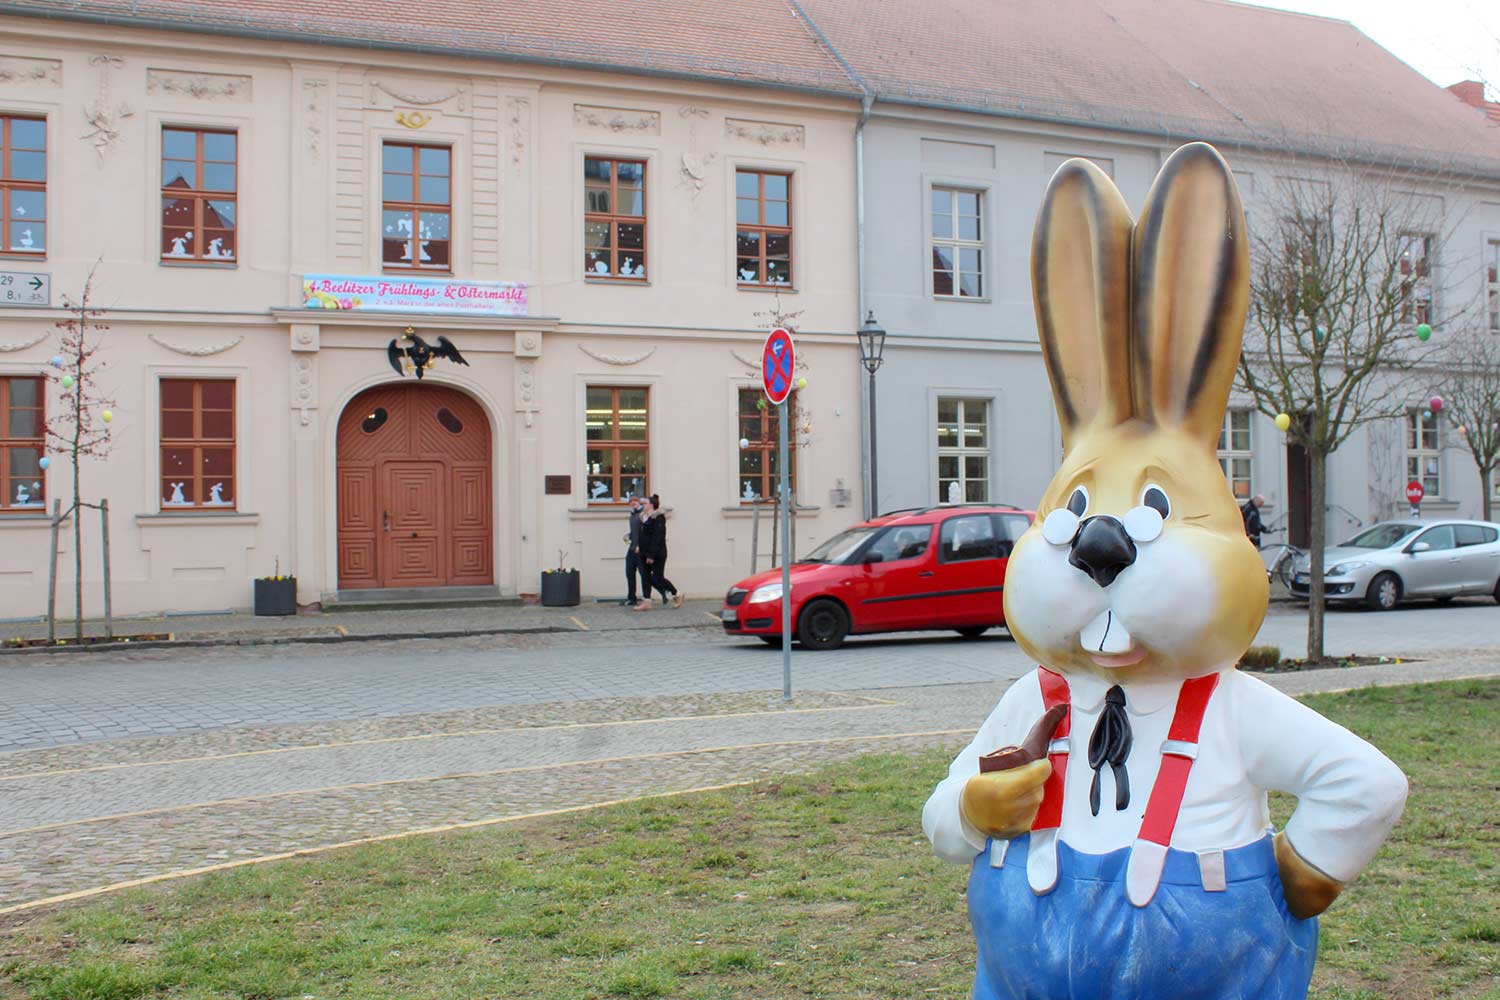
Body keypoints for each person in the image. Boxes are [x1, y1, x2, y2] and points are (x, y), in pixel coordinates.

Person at [635, 494, 682, 610]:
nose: (643, 505)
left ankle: (676, 593)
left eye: (645, 503)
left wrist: (651, 555)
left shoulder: (659, 517)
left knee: (658, 577)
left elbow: (657, 537)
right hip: (644, 552)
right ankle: (647, 601)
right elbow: (643, 536)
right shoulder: (643, 517)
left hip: (657, 554)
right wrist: (639, 547)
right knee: (645, 577)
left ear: (651, 505)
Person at [624, 495, 647, 607]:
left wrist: (640, 545)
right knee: (629, 573)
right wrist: (629, 535)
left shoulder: (643, 514)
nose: (633, 502)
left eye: (635, 501)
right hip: (632, 548)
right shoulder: (632, 515)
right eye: (631, 501)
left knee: (644, 574)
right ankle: (632, 598)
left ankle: (647, 598)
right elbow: (635, 531)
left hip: (640, 549)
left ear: (639, 502)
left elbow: (644, 532)